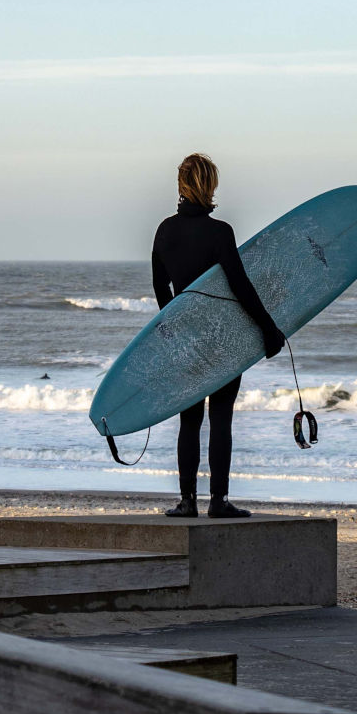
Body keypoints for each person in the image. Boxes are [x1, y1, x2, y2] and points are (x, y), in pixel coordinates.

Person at [150, 153, 285, 519]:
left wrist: (174, 325)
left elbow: (160, 286)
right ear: (209, 186)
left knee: (189, 420)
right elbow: (241, 287)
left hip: (187, 339)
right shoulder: (219, 232)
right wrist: (268, 329)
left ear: (181, 185)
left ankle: (187, 501)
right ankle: (219, 501)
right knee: (221, 416)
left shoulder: (165, 231)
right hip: (222, 338)